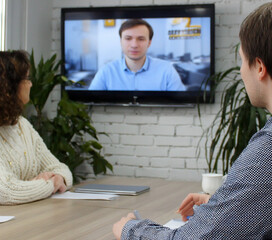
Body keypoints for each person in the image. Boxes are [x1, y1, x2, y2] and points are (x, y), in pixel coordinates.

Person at [113, 0, 272, 239]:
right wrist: (227, 207)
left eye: (242, 60)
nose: (242, 71)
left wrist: (130, 229)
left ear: (260, 67)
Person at [0, 50, 73, 205]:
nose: (31, 84)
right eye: (26, 79)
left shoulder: (22, 125)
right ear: (9, 86)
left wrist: (59, 178)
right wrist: (50, 184)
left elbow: (60, 168)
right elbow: (6, 191)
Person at [88, 19, 186, 91]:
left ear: (149, 42)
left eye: (141, 39)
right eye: (128, 38)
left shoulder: (166, 70)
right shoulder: (107, 71)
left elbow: (182, 102)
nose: (134, 45)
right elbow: (90, 103)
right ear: (121, 41)